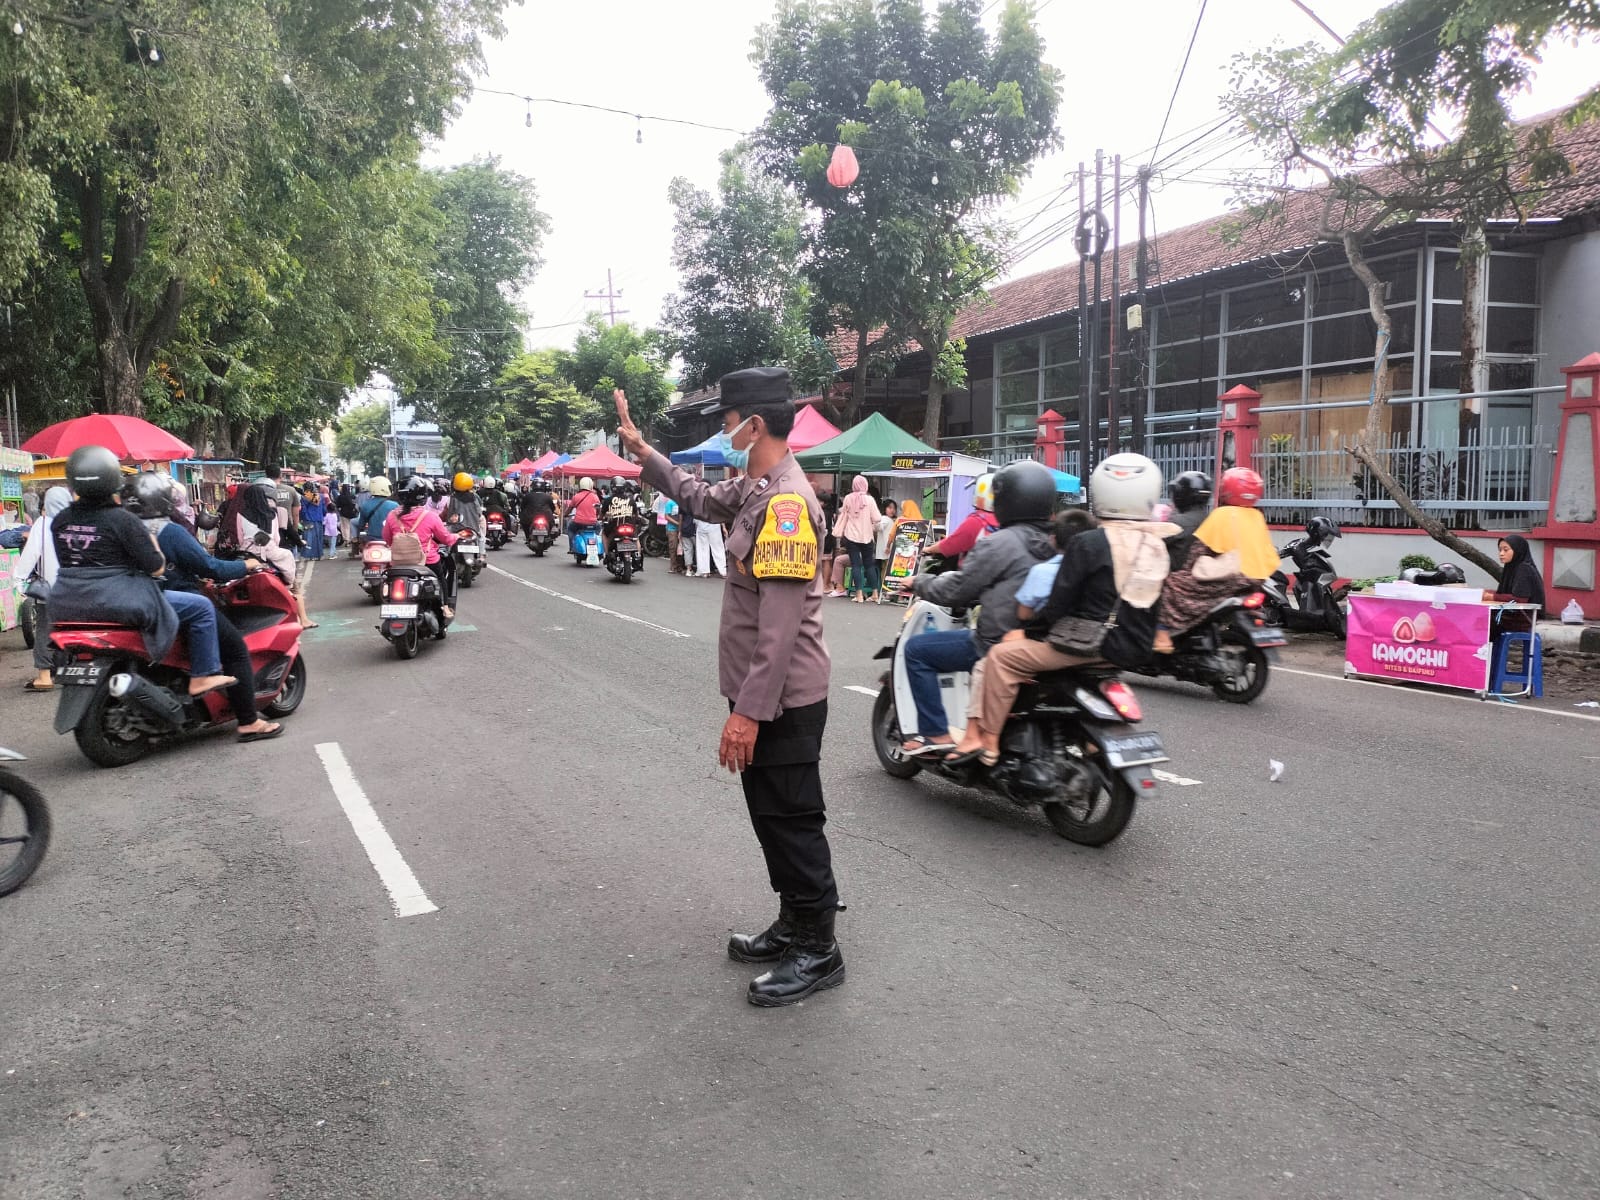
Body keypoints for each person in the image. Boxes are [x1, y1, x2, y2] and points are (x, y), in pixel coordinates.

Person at [616, 367, 844, 1008]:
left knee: (794, 818)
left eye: (728, 419)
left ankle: (819, 947)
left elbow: (779, 626)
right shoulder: (754, 488)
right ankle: (794, 921)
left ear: (756, 424)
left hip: (783, 696)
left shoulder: (788, 507)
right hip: (760, 692)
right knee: (768, 814)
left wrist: (746, 714)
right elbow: (694, 496)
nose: (723, 430)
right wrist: (645, 453)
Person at [950, 454, 1177, 765]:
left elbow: (1059, 604)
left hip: (1088, 643)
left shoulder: (1089, 543)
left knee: (1001, 658)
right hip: (1132, 647)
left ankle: (987, 741)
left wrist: (1026, 632)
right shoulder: (1157, 544)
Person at [896, 461, 1058, 757]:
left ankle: (936, 733)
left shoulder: (998, 543)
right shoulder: (1060, 540)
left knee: (917, 651)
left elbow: (958, 589)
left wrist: (918, 582)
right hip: (1047, 643)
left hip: (997, 642)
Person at [49, 446, 235, 697]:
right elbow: (156, 567)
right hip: (119, 601)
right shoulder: (123, 520)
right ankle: (202, 676)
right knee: (201, 607)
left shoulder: (60, 519)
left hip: (67, 601)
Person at [123, 473, 282, 741]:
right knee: (235, 649)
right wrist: (246, 565)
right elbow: (210, 568)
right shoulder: (169, 531)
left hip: (132, 601)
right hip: (175, 600)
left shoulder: (124, 529)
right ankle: (249, 721)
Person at [1153, 468, 1268, 653]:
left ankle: (1162, 634)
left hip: (1229, 576)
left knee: (1170, 583)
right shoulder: (1256, 516)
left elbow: (1202, 548)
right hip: (1254, 578)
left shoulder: (1220, 515)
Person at [11, 485, 71, 692]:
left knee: (46, 629)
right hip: (78, 587)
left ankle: (45, 676)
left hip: (51, 590)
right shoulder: (76, 522)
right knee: (72, 627)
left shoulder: (43, 524)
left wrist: (18, 579)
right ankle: (69, 669)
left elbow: (31, 554)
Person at [384, 475, 462, 620]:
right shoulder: (430, 516)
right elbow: (445, 538)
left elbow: (388, 539)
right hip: (427, 561)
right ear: (423, 496)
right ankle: (445, 607)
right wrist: (456, 537)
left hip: (398, 563)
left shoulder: (391, 516)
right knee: (441, 579)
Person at [830, 474, 881, 602]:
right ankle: (875, 593)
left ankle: (858, 595)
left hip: (851, 536)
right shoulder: (870, 500)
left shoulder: (848, 498)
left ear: (853, 485)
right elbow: (877, 518)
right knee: (869, 565)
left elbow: (844, 513)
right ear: (865, 485)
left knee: (856, 565)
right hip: (867, 536)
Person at [927, 473, 999, 565]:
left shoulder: (978, 521)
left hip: (972, 574)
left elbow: (950, 544)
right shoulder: (1005, 521)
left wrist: (928, 549)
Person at [356, 476, 398, 551]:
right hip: (390, 540)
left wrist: (359, 539)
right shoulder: (394, 505)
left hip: (372, 540)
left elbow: (361, 525)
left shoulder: (365, 505)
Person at [564, 475, 602, 552]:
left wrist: (565, 514)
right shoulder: (595, 497)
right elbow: (598, 510)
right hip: (593, 523)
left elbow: (570, 509)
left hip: (578, 522)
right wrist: (597, 516)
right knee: (598, 528)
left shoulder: (576, 496)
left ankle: (572, 547)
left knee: (570, 528)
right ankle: (595, 540)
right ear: (591, 485)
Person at [872, 499, 898, 601]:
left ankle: (886, 591)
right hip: (886, 549)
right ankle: (886, 591)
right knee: (886, 570)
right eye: (890, 508)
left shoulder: (889, 519)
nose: (892, 510)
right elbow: (879, 527)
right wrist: (876, 521)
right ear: (885, 508)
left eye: (894, 508)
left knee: (885, 569)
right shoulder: (885, 519)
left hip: (886, 549)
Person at [299, 483, 327, 560]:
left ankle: (309, 556)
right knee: (319, 538)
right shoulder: (320, 496)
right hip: (318, 519)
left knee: (308, 538)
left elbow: (303, 510)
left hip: (308, 520)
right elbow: (324, 509)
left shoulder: (304, 497)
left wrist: (301, 519)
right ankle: (319, 555)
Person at [336, 484, 360, 556]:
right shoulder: (350, 496)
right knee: (351, 526)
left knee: (344, 527)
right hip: (351, 514)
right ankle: (352, 539)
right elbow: (353, 503)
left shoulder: (340, 497)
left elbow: (338, 505)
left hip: (343, 513)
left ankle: (347, 540)